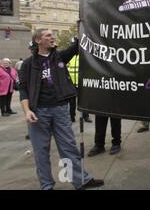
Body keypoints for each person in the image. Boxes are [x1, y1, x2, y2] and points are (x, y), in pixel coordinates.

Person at [19, 28, 104, 190]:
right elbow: (23, 89)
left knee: (69, 147)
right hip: (38, 112)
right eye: (48, 35)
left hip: (60, 109)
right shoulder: (28, 64)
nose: (53, 37)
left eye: (52, 35)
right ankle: (46, 185)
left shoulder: (59, 56)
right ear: (38, 40)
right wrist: (27, 110)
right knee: (41, 151)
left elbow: (79, 44)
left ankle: (81, 181)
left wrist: (85, 23)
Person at [67, 54, 92, 123]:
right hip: (72, 84)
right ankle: (72, 117)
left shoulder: (83, 57)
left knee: (84, 102)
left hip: (81, 84)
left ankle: (86, 116)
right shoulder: (70, 57)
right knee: (72, 102)